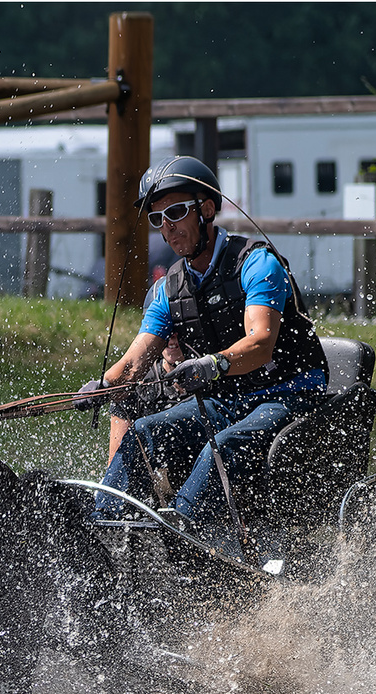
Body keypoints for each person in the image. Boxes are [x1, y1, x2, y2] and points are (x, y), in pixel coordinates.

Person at [77, 156, 328, 557]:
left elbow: (261, 343)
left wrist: (215, 364)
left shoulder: (256, 263)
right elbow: (134, 362)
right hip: (230, 399)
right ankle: (102, 538)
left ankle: (181, 538)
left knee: (223, 446)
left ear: (207, 209)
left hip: (288, 395)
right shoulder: (168, 288)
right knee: (144, 432)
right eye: (158, 218)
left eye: (176, 212)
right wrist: (103, 386)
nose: (168, 227)